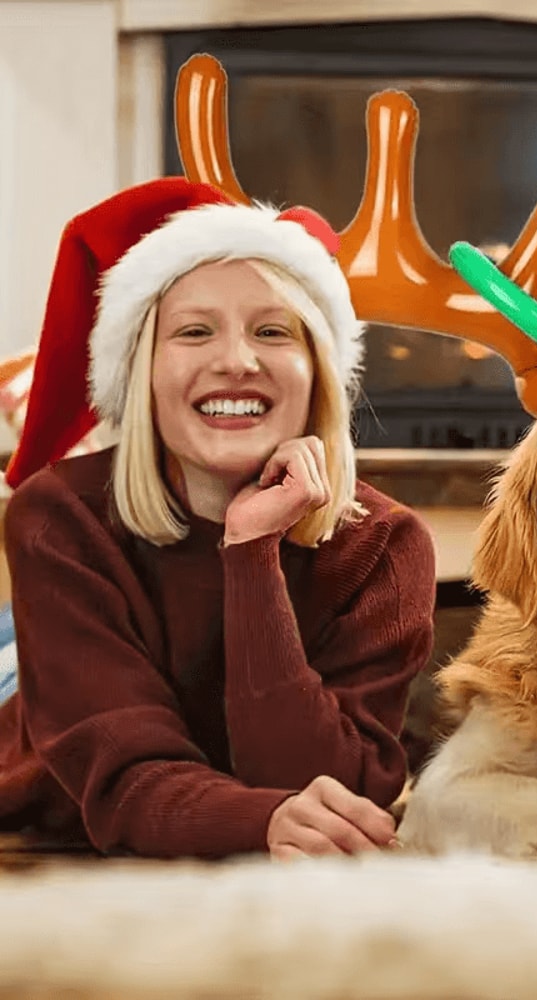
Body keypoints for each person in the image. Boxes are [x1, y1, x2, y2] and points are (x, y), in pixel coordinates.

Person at [0, 178, 437, 861]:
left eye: (272, 331)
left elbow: (321, 786)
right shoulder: (59, 517)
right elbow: (122, 780)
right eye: (194, 331)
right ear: (143, 371)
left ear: (318, 369)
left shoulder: (384, 542)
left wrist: (252, 549)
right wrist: (260, 822)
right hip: (30, 717)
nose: (236, 360)